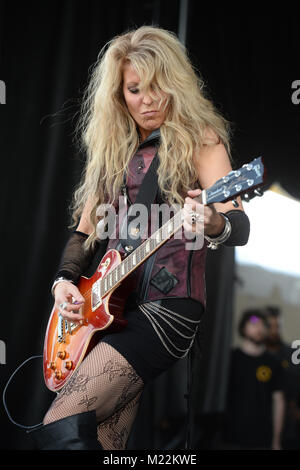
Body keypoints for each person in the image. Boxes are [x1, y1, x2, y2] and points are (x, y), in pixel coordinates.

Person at [28, 25, 250, 450]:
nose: (146, 100)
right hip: (110, 308)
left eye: (156, 87)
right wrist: (64, 282)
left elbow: (238, 225)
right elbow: (84, 232)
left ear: (175, 86)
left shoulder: (202, 140)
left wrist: (211, 222)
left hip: (168, 307)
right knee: (107, 441)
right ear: (119, 94)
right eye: (134, 89)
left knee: (60, 423)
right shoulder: (115, 149)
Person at [222, 309, 285, 450]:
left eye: (264, 325)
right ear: (243, 327)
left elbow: (278, 401)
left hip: (262, 440)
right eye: (254, 323)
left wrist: (276, 441)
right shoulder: (229, 359)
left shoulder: (273, 363)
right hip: (229, 438)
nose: (260, 328)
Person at [263, 305, 300, 449]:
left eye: (277, 326)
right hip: (262, 426)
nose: (274, 330)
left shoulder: (293, 354)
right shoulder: (258, 356)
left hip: (291, 429)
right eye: (270, 326)